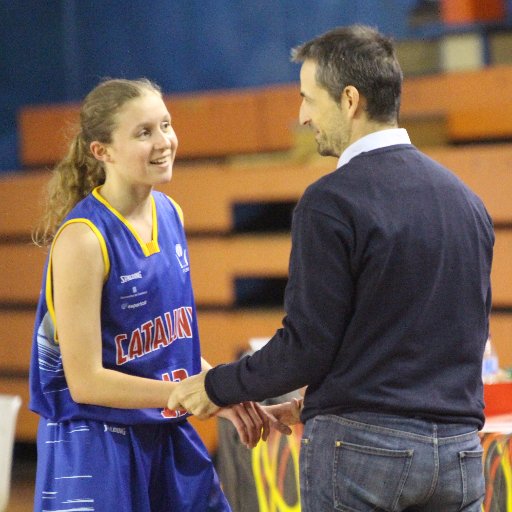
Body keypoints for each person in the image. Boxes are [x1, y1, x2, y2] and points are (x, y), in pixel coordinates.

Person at [168, 25, 494, 511]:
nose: (301, 116)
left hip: (361, 456)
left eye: (308, 99)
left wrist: (213, 387)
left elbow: (306, 348)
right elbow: (426, 341)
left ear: (348, 100)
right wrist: (307, 405)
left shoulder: (330, 203)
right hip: (461, 456)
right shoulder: (468, 203)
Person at [29, 78, 286, 512]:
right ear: (101, 151)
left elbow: (170, 351)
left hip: (163, 428)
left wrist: (219, 392)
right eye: (143, 132)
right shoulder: (83, 239)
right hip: (96, 445)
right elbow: (86, 381)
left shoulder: (170, 213)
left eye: (165, 125)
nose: (164, 141)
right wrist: (192, 391)